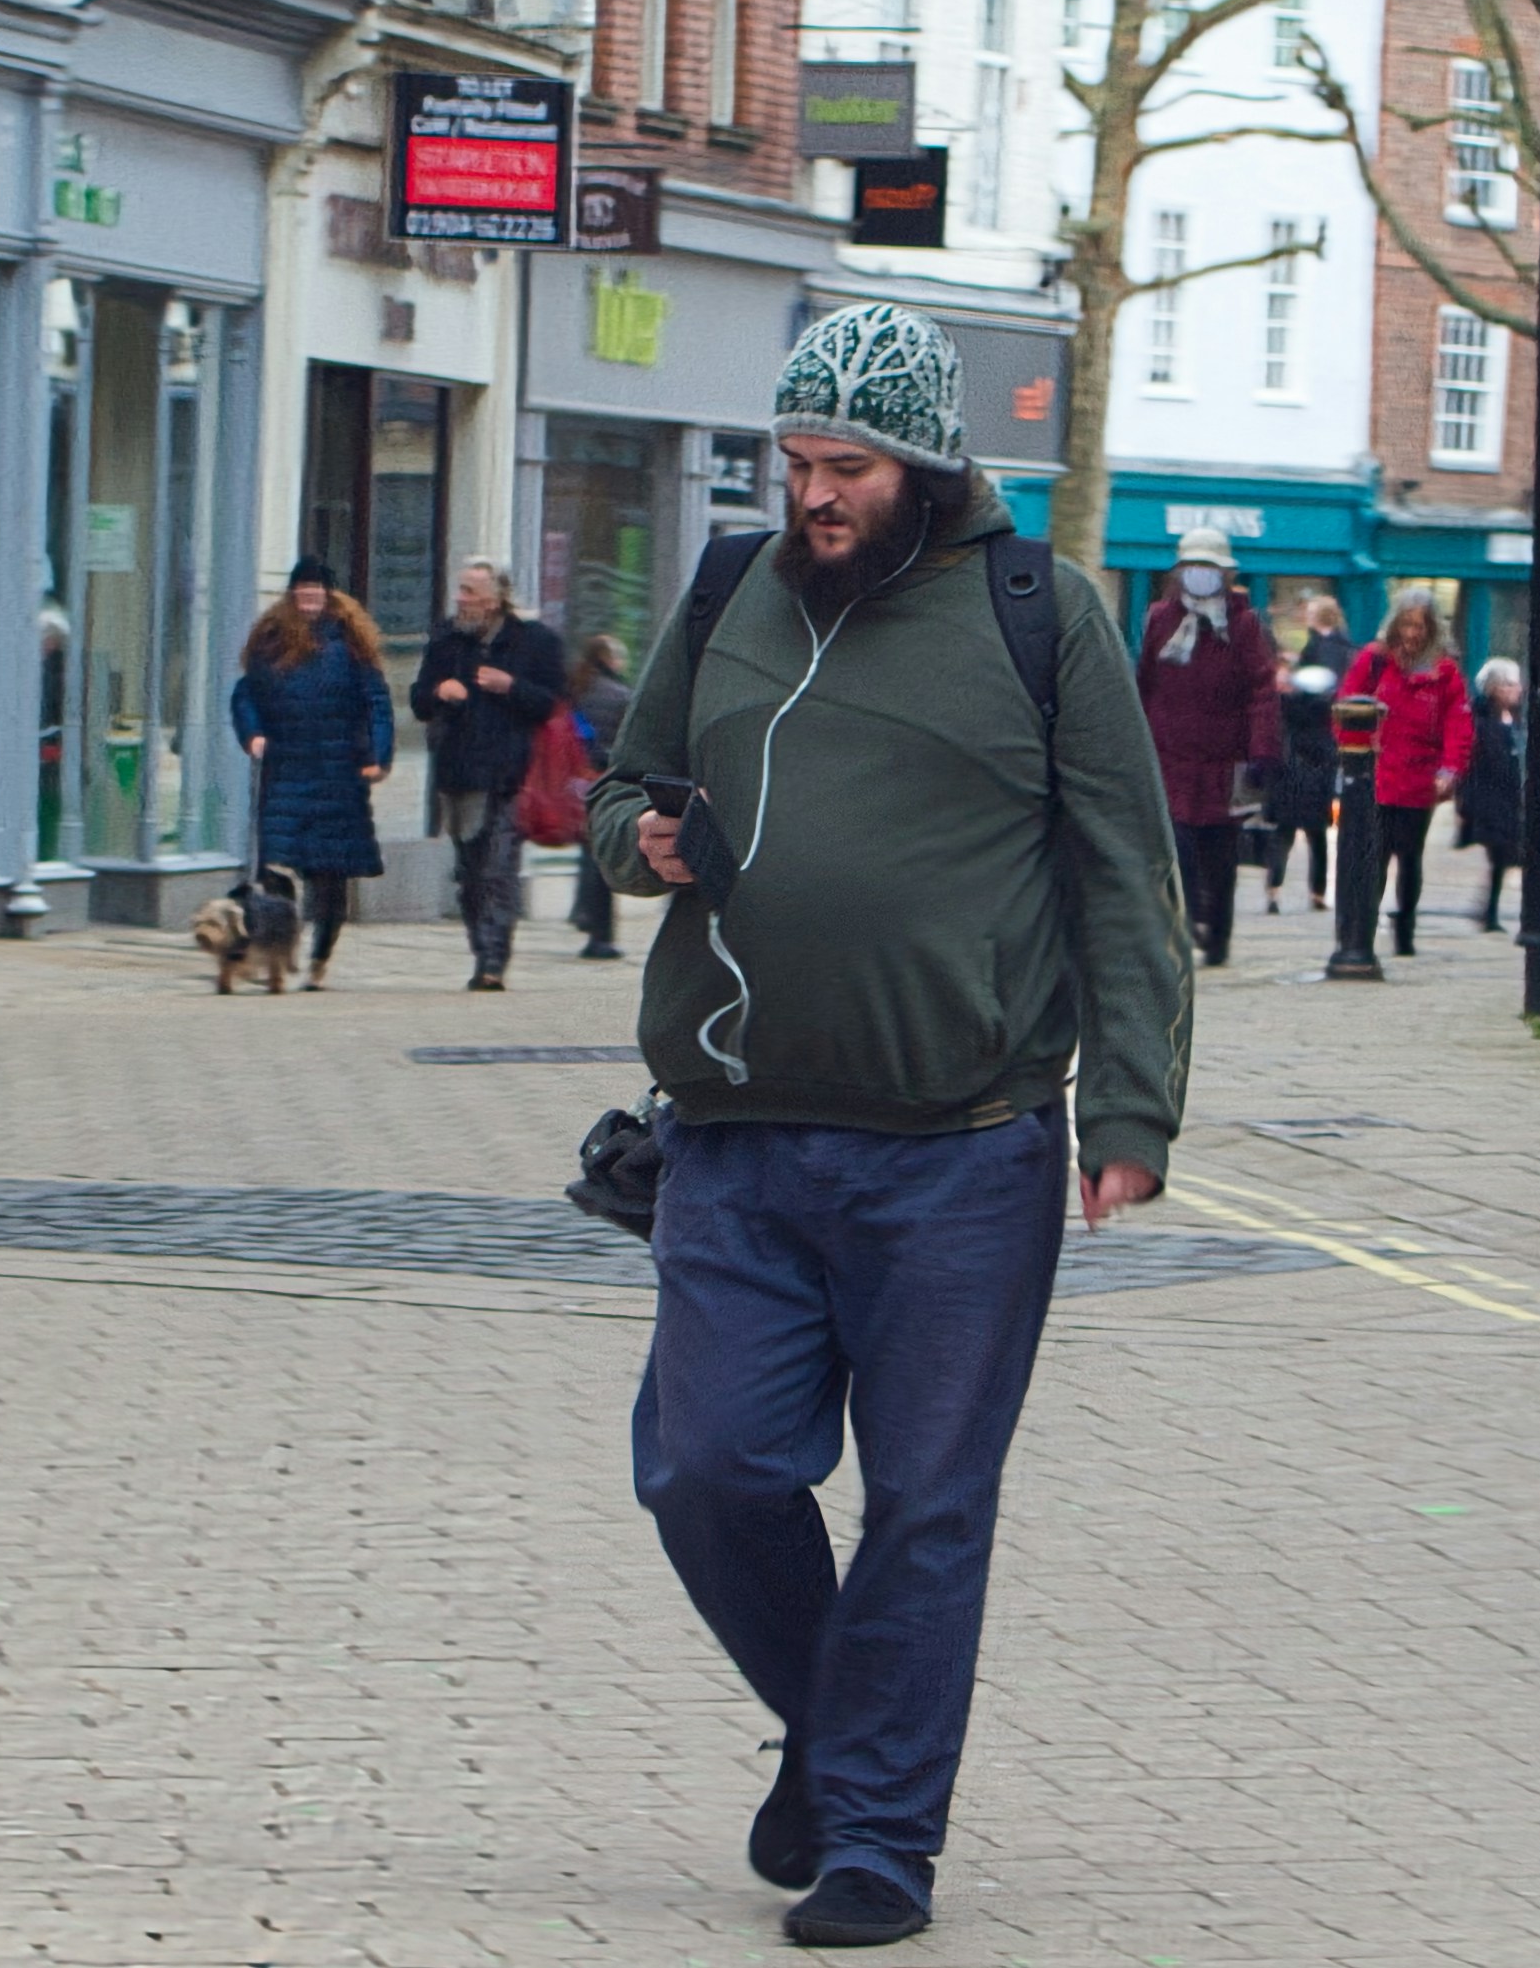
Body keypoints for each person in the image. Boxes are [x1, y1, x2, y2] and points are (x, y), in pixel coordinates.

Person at [586, 302, 1191, 1949]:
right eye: (793, 463)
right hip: (734, 1129)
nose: (813, 497)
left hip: (963, 1146)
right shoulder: (726, 593)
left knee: (925, 1503)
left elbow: (1124, 874)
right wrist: (638, 844)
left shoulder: (1035, 611)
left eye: (845, 465)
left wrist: (1128, 1106)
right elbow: (608, 803)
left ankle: (877, 1845)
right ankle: (837, 1732)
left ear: (927, 466)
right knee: (706, 1470)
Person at [229, 558, 390, 989]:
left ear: (330, 593)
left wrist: (378, 755)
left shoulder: (352, 643)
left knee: (329, 874)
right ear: (292, 593)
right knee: (275, 866)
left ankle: (321, 957)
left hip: (340, 773)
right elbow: (246, 694)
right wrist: (253, 733)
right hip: (286, 767)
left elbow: (376, 701)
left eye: (316, 587)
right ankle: (281, 946)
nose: (309, 595)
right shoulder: (271, 640)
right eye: (302, 588)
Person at [411, 561, 565, 994]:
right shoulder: (445, 639)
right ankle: (481, 946)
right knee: (469, 873)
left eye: (470, 592)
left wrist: (510, 686)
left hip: (512, 774)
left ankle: (492, 961)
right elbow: (418, 700)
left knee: (499, 869)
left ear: (495, 600)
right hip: (458, 773)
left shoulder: (534, 642)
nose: (460, 599)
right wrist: (439, 692)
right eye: (460, 590)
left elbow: (554, 704)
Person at [1130, 530, 1276, 969]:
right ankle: (1186, 922)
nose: (1200, 576)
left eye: (1210, 569)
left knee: (1221, 851)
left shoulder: (1245, 625)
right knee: (1178, 846)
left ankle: (1219, 935)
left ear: (1225, 575)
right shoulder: (1160, 618)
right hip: (1170, 754)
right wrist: (1133, 741)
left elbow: (1263, 691)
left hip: (1225, 759)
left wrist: (1263, 752)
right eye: (1194, 568)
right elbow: (1145, 683)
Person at [1336, 589, 1472, 959]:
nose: (1413, 633)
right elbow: (1347, 706)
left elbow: (1457, 724)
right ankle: (1361, 932)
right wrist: (1356, 756)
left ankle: (1405, 930)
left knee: (1410, 858)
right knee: (1373, 854)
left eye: (1420, 626)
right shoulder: (1374, 661)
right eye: (1408, 624)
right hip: (1377, 776)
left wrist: (1450, 769)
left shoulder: (1444, 671)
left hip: (1418, 780)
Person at [1260, 595, 1353, 916]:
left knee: (1286, 827)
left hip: (1299, 753)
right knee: (1316, 830)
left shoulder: (1319, 652)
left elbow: (1308, 701)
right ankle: (1317, 892)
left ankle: (1275, 889)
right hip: (1322, 752)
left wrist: (1286, 694)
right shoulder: (1342, 650)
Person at [565, 629, 638, 959]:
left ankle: (582, 914)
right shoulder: (621, 695)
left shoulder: (576, 690)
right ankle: (600, 935)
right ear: (608, 659)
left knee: (587, 852)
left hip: (576, 781)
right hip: (605, 780)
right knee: (600, 858)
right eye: (619, 656)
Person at [1460, 657, 1528, 932]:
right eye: (1510, 684)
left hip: (1513, 799)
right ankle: (1487, 912)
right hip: (1492, 800)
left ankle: (1487, 909)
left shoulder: (1518, 718)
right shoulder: (1480, 721)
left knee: (1505, 858)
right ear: (1495, 688)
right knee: (1501, 855)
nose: (1517, 689)